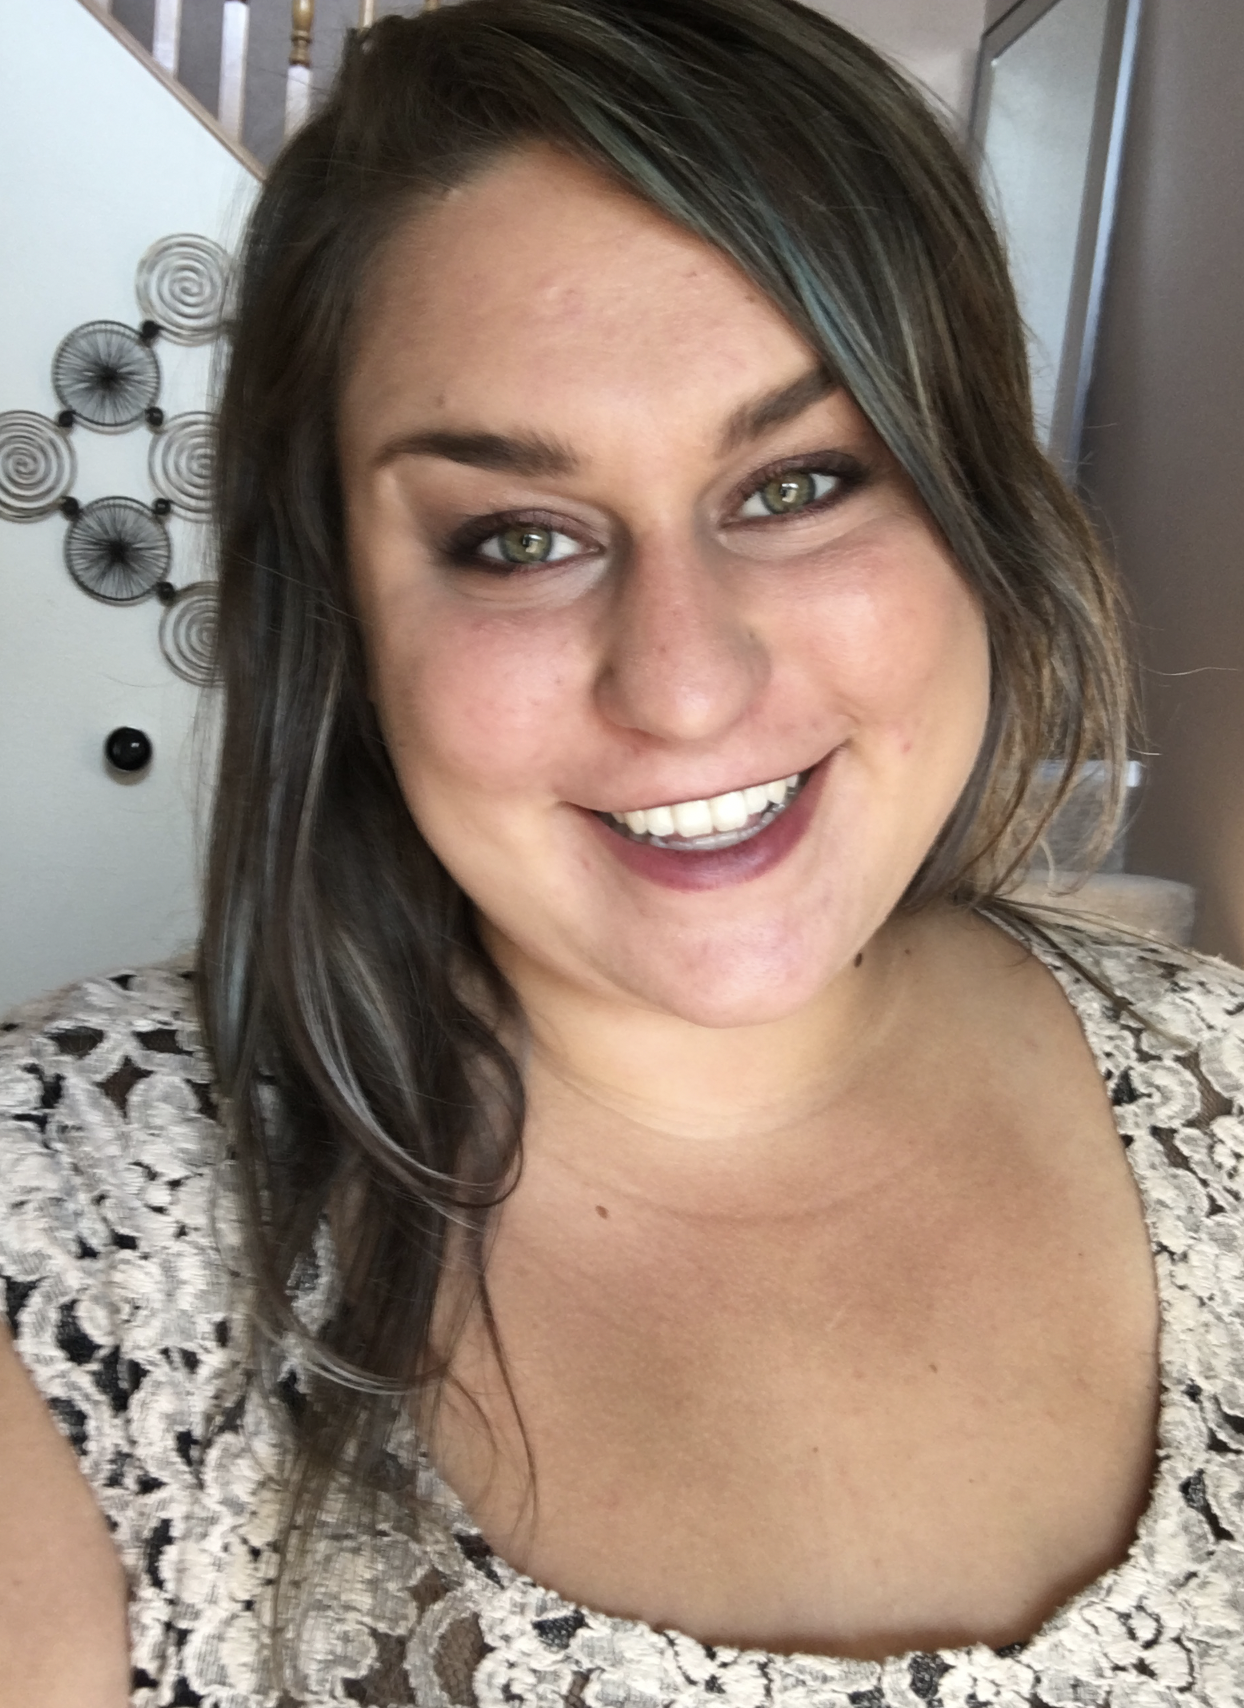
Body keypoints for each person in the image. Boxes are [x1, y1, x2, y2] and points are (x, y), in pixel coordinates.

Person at [2, 0, 1242, 1702]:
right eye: (517, 538)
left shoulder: (1226, 1101)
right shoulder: (61, 1229)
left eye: (799, 483)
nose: (681, 685)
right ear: (347, 616)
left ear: (977, 509)